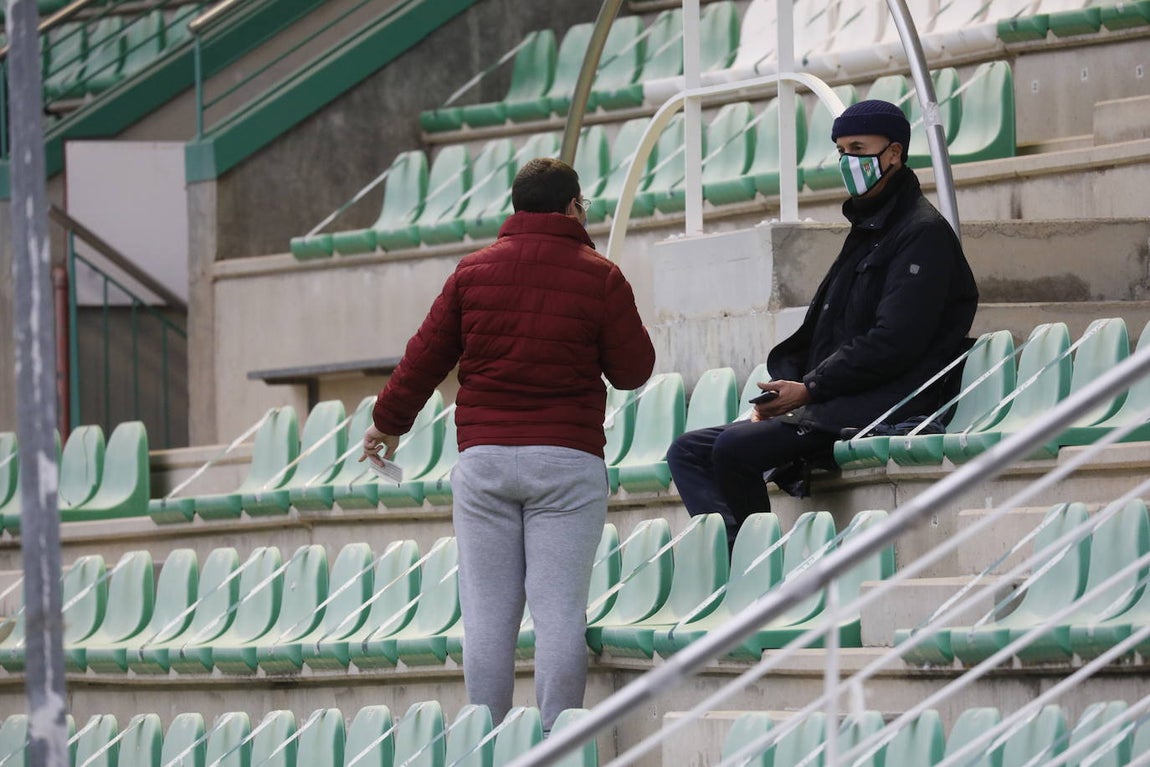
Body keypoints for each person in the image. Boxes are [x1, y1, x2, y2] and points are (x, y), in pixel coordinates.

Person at [361, 157, 655, 731]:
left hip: (486, 460)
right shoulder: (601, 276)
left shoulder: (472, 272)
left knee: (489, 618)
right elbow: (633, 370)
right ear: (574, 206)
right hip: (567, 463)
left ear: (516, 209)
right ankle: (556, 740)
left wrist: (387, 422)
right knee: (559, 615)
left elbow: (425, 358)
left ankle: (486, 738)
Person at [667, 99, 979, 548]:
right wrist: (786, 389)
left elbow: (894, 342)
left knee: (734, 449)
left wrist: (810, 390)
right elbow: (825, 333)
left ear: (894, 153)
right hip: (832, 401)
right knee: (688, 451)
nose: (847, 161)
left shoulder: (921, 233)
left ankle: (759, 570)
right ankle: (738, 557)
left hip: (879, 405)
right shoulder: (870, 228)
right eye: (840, 150)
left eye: (858, 148)